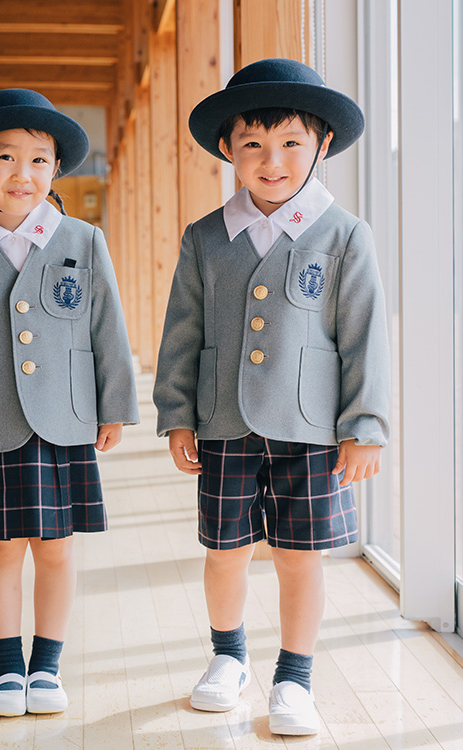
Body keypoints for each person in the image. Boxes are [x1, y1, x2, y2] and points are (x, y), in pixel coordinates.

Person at [153, 59, 390, 736]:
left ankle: (295, 676)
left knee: (299, 555)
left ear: (321, 146)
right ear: (228, 148)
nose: (272, 160)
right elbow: (182, 331)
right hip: (223, 420)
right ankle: (227, 659)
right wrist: (176, 414)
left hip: (312, 427)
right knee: (224, 548)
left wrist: (365, 424)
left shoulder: (344, 235)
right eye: (253, 144)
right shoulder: (205, 238)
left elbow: (364, 336)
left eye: (291, 142)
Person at [0, 88, 139, 717]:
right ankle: (7, 669)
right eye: (6, 158)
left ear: (56, 169)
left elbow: (107, 328)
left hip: (65, 417)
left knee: (58, 546)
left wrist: (114, 405)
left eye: (39, 160)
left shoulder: (83, 241)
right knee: (0, 547)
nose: (24, 174)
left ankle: (47, 666)